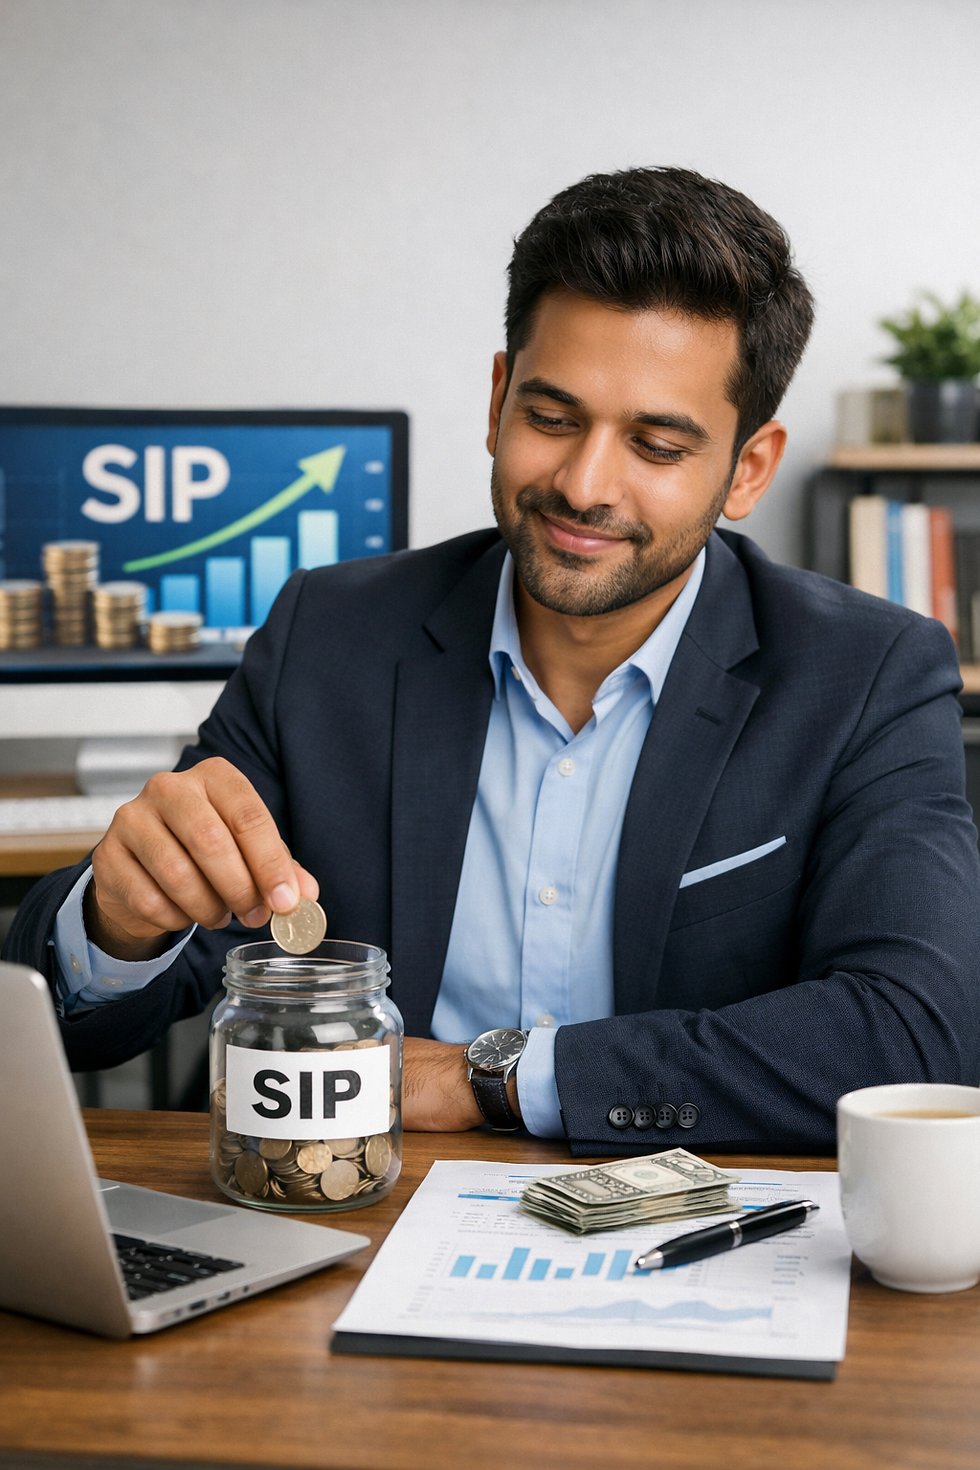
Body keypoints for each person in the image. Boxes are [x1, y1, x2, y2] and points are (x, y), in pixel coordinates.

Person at [6, 167, 979, 1155]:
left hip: (696, 1246)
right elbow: (97, 1016)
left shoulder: (865, 674)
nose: (582, 484)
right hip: (359, 1213)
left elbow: (911, 1038)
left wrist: (484, 1075)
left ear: (748, 470)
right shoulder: (327, 636)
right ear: (497, 400)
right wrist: (119, 926)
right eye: (551, 418)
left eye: (654, 445)